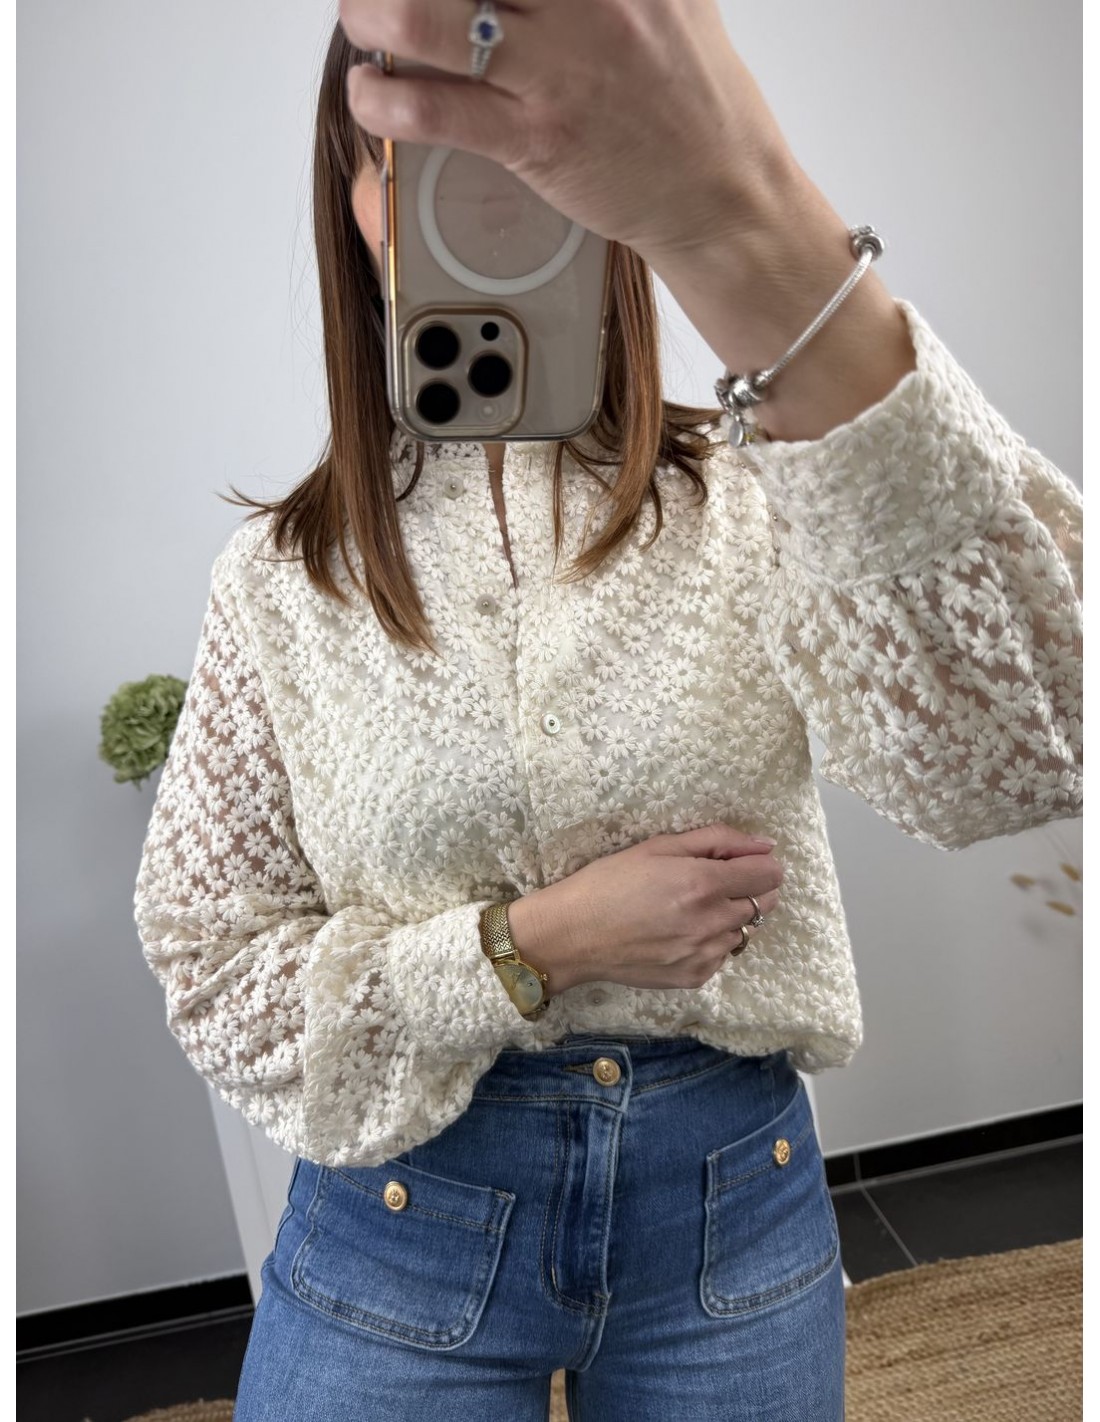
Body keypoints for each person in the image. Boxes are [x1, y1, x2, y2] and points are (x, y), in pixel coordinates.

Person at [133, 6, 1083, 1419]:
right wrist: (530, 946)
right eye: (420, 153)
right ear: (355, 194)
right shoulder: (283, 581)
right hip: (400, 1223)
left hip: (731, 1212)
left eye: (520, 140)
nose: (482, 195)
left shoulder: (761, 500)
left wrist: (746, 215)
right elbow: (209, 964)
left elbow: (1022, 749)